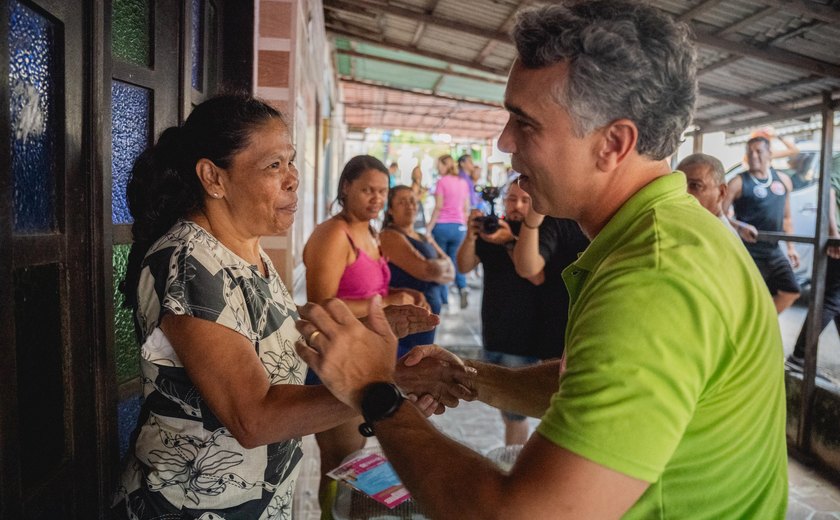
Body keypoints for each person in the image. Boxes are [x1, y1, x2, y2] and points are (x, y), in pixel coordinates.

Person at [294, 2, 788, 518]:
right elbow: (589, 382)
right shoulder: (669, 232)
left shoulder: (653, 278)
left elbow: (520, 514)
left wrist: (376, 394)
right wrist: (473, 376)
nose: (504, 142)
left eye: (525, 124)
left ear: (613, 143)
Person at [112, 96, 452, 518]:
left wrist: (366, 327)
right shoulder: (190, 264)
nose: (292, 180)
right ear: (213, 178)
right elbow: (253, 417)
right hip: (193, 506)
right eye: (273, 166)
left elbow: (267, 336)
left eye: (290, 162)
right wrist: (385, 385)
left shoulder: (244, 251)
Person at [302, 155, 430, 514]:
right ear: (346, 188)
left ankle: (336, 513)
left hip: (363, 359)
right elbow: (320, 306)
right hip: (334, 359)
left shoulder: (371, 232)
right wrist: (385, 304)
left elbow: (368, 297)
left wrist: (403, 298)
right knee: (339, 458)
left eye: (382, 192)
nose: (376, 199)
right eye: (367, 190)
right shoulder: (333, 234)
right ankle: (328, 515)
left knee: (354, 458)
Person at [457, 178, 588, 446]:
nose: (517, 205)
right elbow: (464, 266)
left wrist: (511, 239)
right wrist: (471, 236)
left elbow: (534, 274)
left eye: (525, 200)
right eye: (511, 199)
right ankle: (515, 458)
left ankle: (517, 460)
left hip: (528, 334)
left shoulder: (543, 230)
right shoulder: (492, 229)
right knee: (509, 411)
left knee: (520, 412)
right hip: (495, 328)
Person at [723, 136, 801, 313]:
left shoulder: (783, 180)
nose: (754, 156)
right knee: (746, 297)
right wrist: (739, 226)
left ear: (770, 154)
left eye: (759, 151)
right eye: (750, 152)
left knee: (791, 291)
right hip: (748, 251)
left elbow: (787, 218)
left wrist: (791, 247)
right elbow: (718, 213)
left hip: (773, 250)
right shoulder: (738, 182)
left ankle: (765, 324)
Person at [381, 185, 454, 357]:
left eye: (413, 201)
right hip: (407, 323)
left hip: (426, 322)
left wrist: (440, 267)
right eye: (402, 202)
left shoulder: (423, 236)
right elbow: (427, 271)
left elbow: (451, 271)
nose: (410, 205)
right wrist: (439, 266)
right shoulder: (390, 236)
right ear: (390, 209)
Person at [789, 154, 840, 368]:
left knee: (836, 298)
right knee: (830, 298)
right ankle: (800, 355)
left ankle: (799, 355)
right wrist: (833, 233)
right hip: (838, 239)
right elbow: (828, 190)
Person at [427, 154, 471, 308]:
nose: (437, 168)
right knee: (456, 260)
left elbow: (438, 207)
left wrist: (429, 228)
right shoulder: (463, 183)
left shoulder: (441, 182)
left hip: (442, 227)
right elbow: (466, 208)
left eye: (439, 164)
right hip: (459, 227)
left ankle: (443, 298)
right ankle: (462, 287)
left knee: (442, 262)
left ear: (445, 164)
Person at [677, 153, 738, 236]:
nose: (684, 192)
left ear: (721, 192)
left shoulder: (718, 236)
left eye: (695, 186)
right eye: (679, 185)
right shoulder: (695, 227)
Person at [409, 165, 429, 233]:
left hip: (420, 214)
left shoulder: (419, 186)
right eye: (417, 172)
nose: (420, 174)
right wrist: (423, 192)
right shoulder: (415, 186)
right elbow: (414, 199)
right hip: (417, 217)